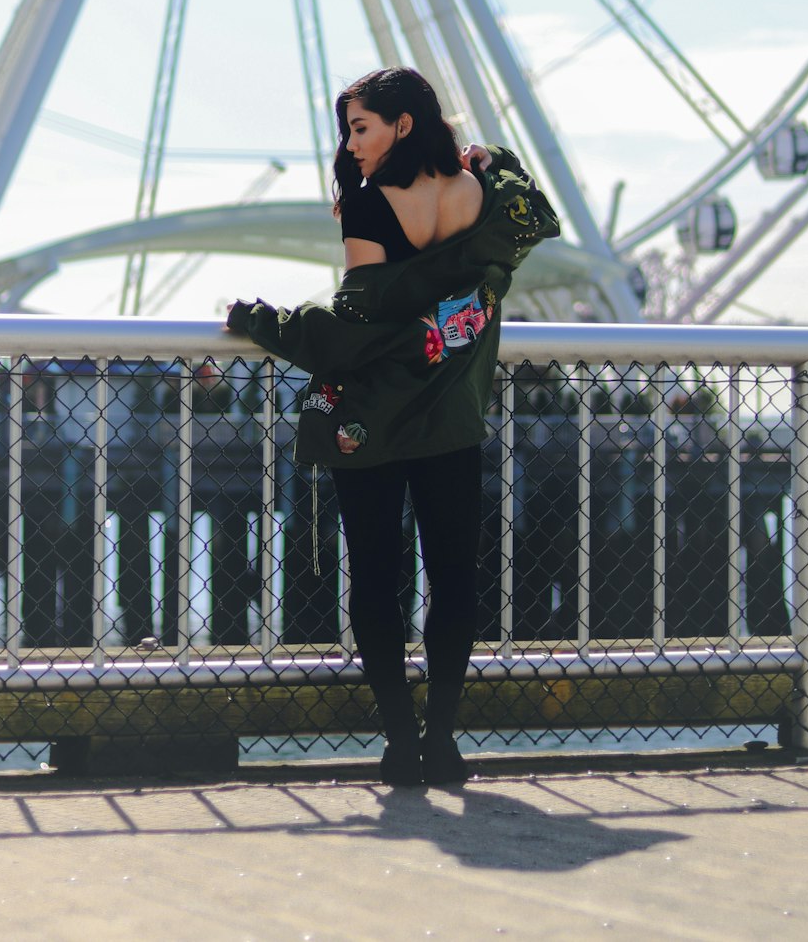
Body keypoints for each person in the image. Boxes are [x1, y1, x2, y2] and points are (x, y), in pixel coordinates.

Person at [226, 67, 559, 786]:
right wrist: (490, 157)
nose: (351, 145)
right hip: (454, 414)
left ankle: (400, 741)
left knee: (377, 577)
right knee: (453, 579)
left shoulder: (371, 207)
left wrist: (262, 321)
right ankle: (443, 739)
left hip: (370, 420)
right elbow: (532, 202)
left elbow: (357, 330)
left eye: (360, 128)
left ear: (402, 124)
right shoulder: (488, 200)